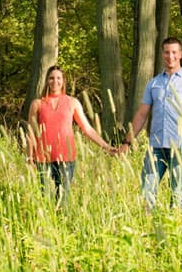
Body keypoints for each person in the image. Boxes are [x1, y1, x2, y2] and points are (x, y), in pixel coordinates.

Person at [120, 37, 182, 208]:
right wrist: (127, 141)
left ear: (180, 54)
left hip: (181, 147)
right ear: (162, 55)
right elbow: (142, 114)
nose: (170, 56)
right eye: (166, 52)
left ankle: (176, 230)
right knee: (147, 190)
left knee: (177, 193)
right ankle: (148, 227)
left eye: (174, 52)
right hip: (156, 148)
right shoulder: (154, 83)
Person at [27, 64, 116, 202]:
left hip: (66, 159)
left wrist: (106, 146)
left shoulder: (72, 102)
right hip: (43, 160)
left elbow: (87, 128)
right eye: (51, 78)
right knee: (45, 201)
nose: (54, 82)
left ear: (63, 81)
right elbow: (30, 132)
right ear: (46, 81)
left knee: (63, 201)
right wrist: (29, 157)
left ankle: (62, 224)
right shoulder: (37, 104)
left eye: (58, 78)